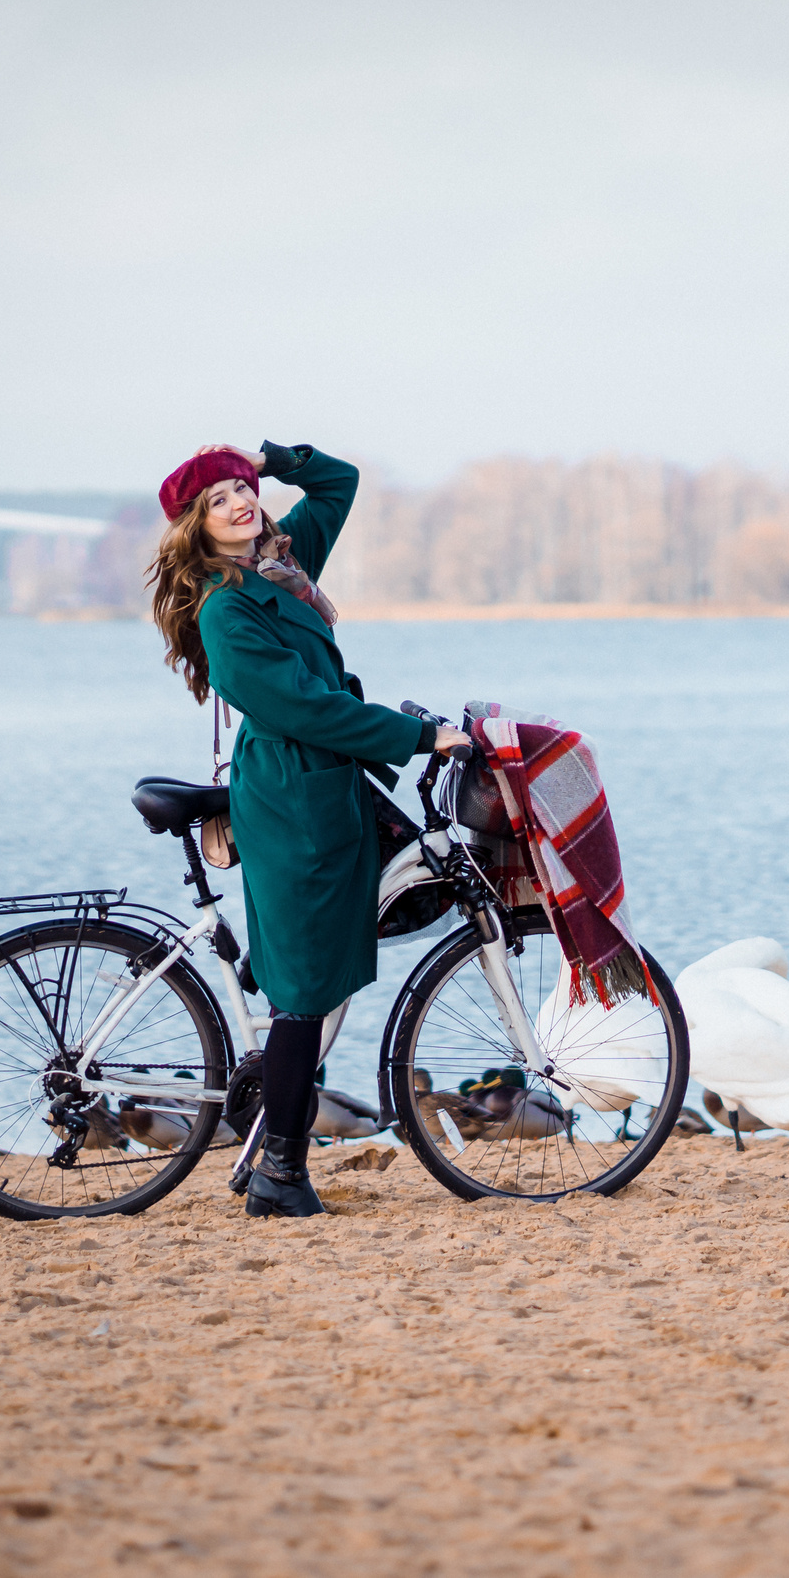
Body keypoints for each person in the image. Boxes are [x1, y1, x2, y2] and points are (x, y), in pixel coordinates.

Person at [147, 441, 468, 1218]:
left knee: (313, 982)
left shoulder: (281, 566)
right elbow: (305, 708)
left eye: (242, 489)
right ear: (195, 523)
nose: (238, 503)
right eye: (218, 498)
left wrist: (279, 457)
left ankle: (279, 1154)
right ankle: (279, 1174)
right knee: (302, 1000)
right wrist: (416, 738)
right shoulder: (226, 607)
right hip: (292, 798)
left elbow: (340, 483)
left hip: (321, 788)